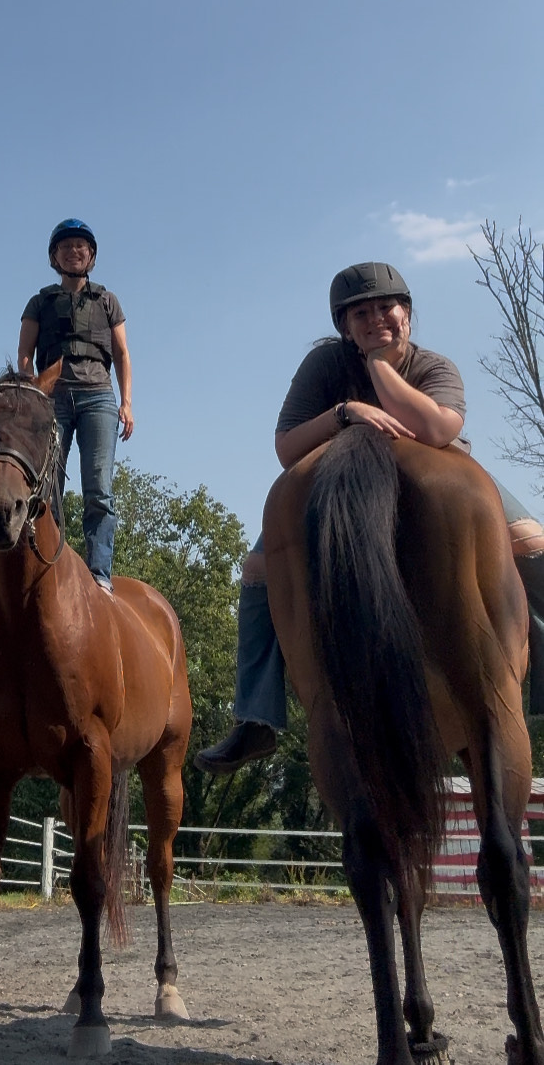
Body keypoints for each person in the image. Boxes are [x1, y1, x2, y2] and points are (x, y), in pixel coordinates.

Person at [195, 261, 544, 775]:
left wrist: (379, 367)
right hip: (336, 483)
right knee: (256, 571)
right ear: (344, 327)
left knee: (534, 543)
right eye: (361, 314)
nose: (376, 318)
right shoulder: (322, 366)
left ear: (408, 314)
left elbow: (437, 431)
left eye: (386, 308)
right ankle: (256, 716)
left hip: (443, 467)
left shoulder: (435, 366)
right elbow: (287, 448)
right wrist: (346, 413)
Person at [17, 219, 133, 592]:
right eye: (66, 247)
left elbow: (122, 353)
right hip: (53, 400)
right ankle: (48, 568)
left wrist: (127, 402)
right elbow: (25, 355)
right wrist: (31, 393)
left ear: (91, 255)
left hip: (98, 395)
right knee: (47, 486)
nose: (74, 251)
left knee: (98, 488)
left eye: (81, 246)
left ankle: (100, 574)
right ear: (55, 256)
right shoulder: (40, 302)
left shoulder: (107, 300)